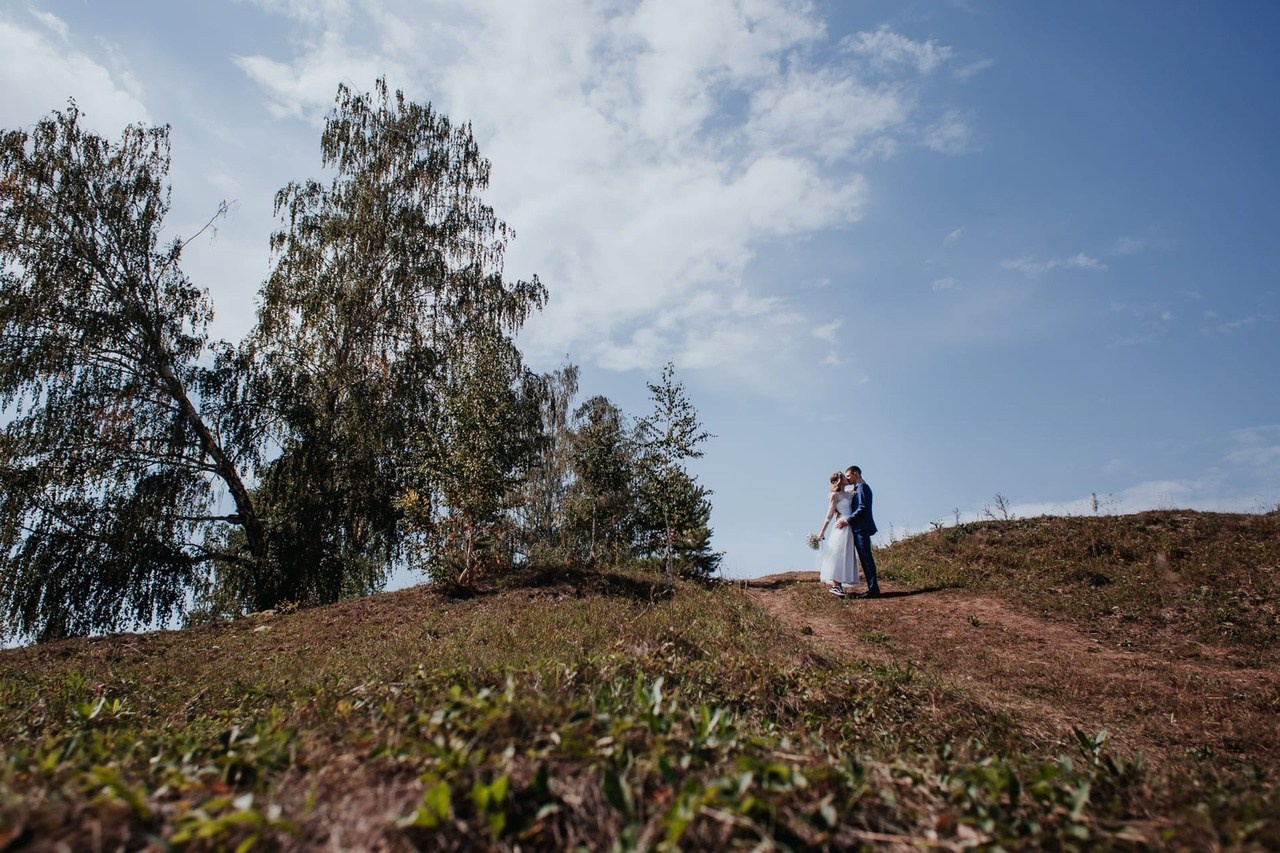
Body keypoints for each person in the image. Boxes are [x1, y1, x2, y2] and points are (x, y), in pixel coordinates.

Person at [835, 465, 881, 598]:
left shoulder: (862, 487)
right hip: (858, 528)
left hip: (862, 528)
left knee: (866, 558)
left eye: (849, 476)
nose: (847, 479)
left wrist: (847, 521)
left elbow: (862, 508)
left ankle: (873, 590)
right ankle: (872, 589)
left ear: (856, 474)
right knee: (864, 558)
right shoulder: (857, 488)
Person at [816, 471, 860, 597]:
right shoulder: (834, 495)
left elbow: (861, 483)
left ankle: (839, 586)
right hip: (841, 526)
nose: (847, 478)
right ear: (840, 480)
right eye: (844, 476)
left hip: (849, 525)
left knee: (846, 554)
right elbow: (829, 516)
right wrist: (822, 532)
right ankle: (835, 585)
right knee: (837, 554)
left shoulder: (849, 493)